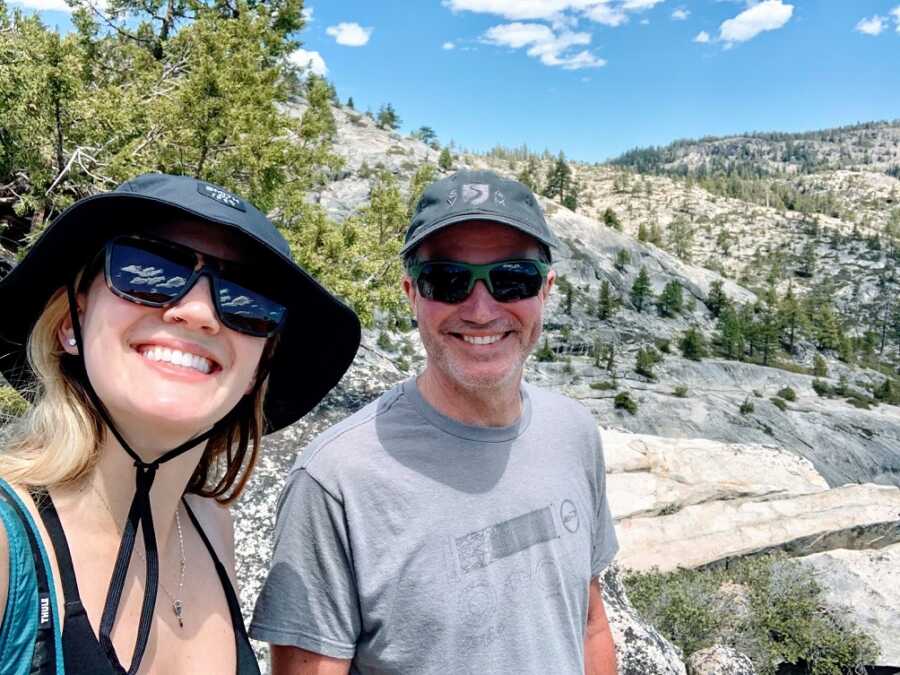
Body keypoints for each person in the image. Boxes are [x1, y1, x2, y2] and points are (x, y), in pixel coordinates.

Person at [251, 170, 619, 674]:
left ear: (546, 291)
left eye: (513, 278)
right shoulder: (336, 480)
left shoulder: (573, 432)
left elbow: (589, 624)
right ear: (412, 294)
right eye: (447, 281)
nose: (481, 309)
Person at [0, 173, 360, 674]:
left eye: (246, 297)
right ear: (70, 325)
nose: (197, 311)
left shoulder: (211, 526)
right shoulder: (6, 546)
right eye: (148, 268)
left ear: (257, 370)